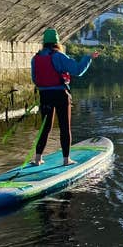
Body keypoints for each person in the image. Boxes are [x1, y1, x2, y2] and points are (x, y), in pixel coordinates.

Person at [30, 28, 99, 166]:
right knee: (64, 127)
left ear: (44, 42)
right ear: (57, 42)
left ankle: (37, 159)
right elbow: (78, 70)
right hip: (60, 95)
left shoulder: (35, 58)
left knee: (45, 127)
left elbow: (35, 79)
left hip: (45, 96)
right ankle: (66, 160)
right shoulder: (59, 56)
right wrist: (88, 58)